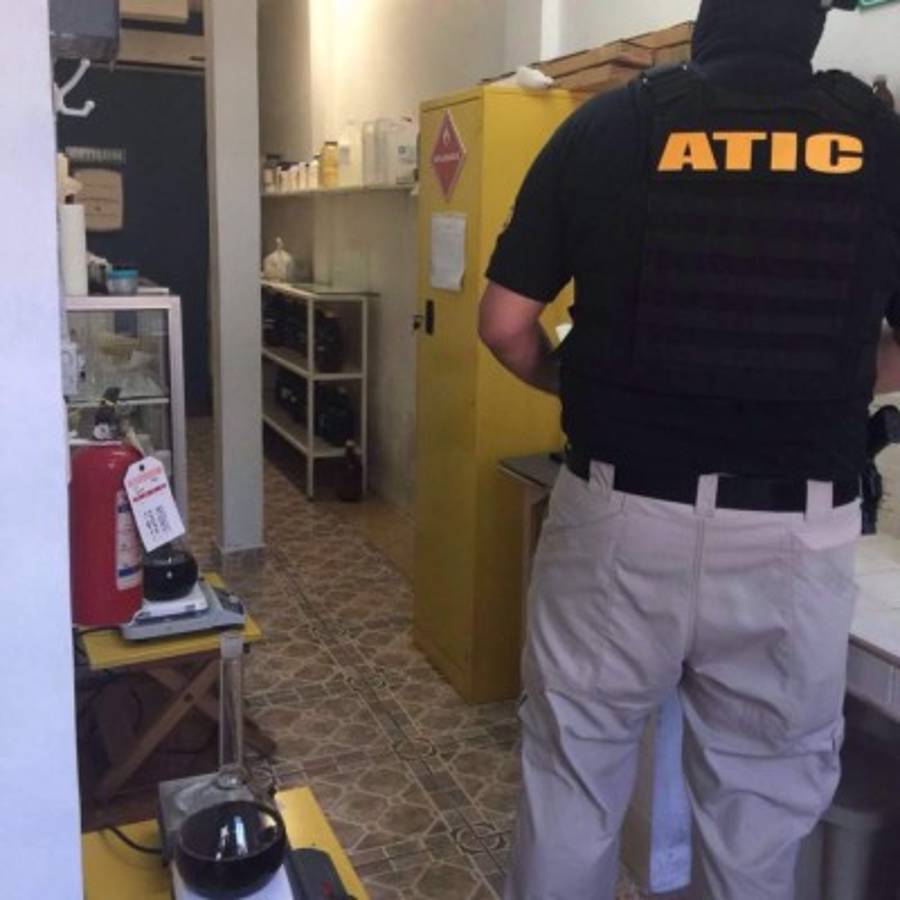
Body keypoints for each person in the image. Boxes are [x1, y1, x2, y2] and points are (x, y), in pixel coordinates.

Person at [478, 0, 900, 897]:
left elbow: (505, 325)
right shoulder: (879, 138)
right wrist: (835, 380)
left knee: (573, 781)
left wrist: (580, 385)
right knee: (757, 819)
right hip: (795, 535)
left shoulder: (609, 124)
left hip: (620, 518)